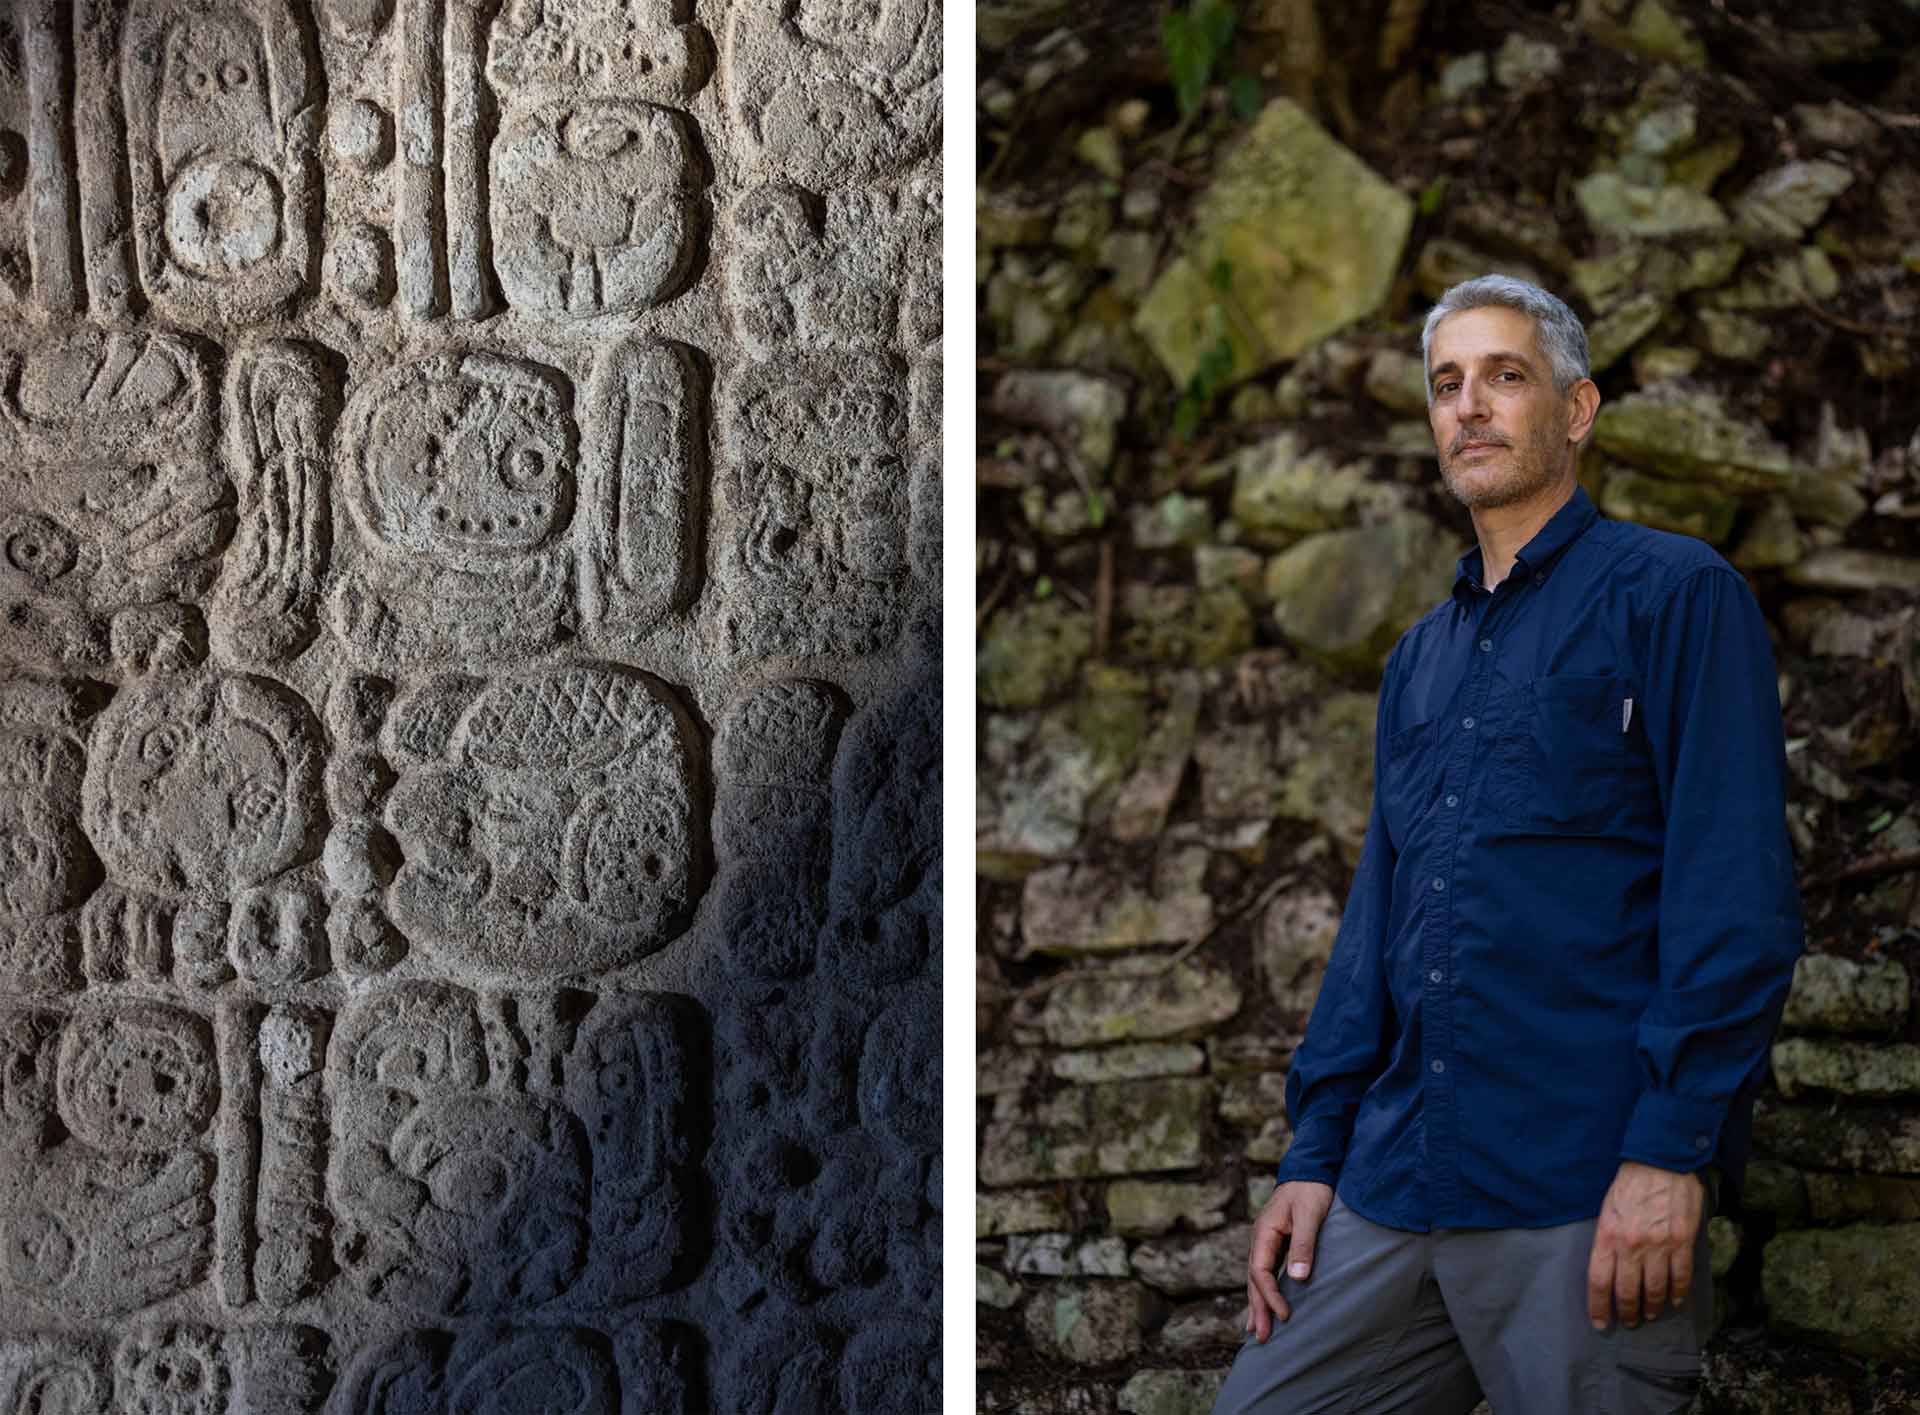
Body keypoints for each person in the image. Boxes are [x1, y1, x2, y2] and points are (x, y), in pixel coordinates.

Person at [1212, 275, 1804, 1415]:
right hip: (1397, 1180)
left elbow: (1735, 892)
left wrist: (1670, 1150)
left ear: (1576, 411)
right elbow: (1376, 919)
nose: (1469, 406)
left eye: (1505, 375)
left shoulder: (1676, 594)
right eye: (1447, 384)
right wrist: (1314, 1152)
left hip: (1579, 1189)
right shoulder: (1417, 658)